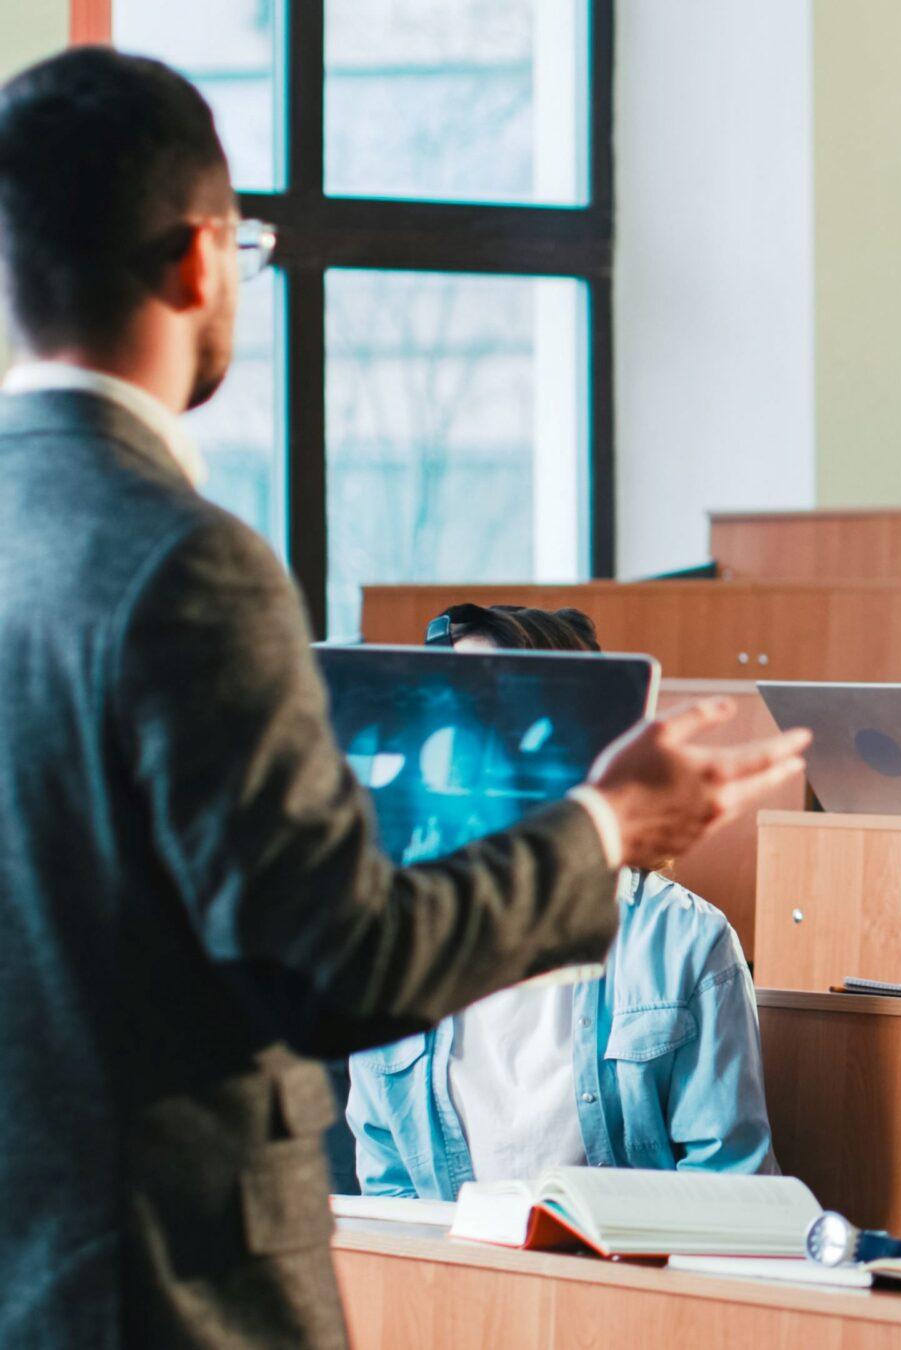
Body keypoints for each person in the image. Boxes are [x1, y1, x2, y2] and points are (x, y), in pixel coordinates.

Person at [0, 50, 806, 1348]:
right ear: (203, 258)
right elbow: (341, 966)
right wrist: (603, 826)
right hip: (158, 1290)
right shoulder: (188, 561)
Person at [343, 605, 777, 1198]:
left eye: (502, 713)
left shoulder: (684, 940)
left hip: (624, 1281)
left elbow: (730, 1192)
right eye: (458, 712)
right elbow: (388, 1186)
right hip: (456, 1277)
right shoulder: (394, 939)